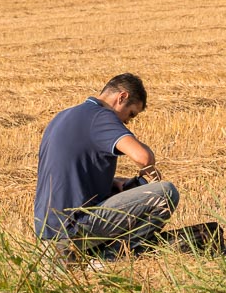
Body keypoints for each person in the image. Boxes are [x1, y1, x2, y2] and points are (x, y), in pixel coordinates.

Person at [33, 73, 179, 261]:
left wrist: (113, 182)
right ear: (122, 97)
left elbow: (69, 171)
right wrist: (150, 170)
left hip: (49, 232)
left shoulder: (64, 116)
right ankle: (107, 260)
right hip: (75, 228)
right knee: (166, 193)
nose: (127, 122)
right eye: (131, 114)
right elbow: (143, 158)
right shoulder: (101, 116)